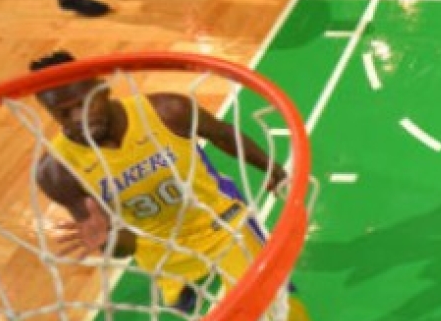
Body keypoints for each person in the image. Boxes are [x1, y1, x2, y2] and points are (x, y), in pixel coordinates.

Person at [30, 50, 311, 319]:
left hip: (220, 224)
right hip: (161, 253)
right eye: (63, 113)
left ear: (102, 89)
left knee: (276, 307)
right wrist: (109, 239)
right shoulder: (57, 172)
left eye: (84, 104)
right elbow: (123, 248)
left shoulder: (166, 111)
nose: (79, 118)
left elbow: (223, 135)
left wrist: (271, 168)